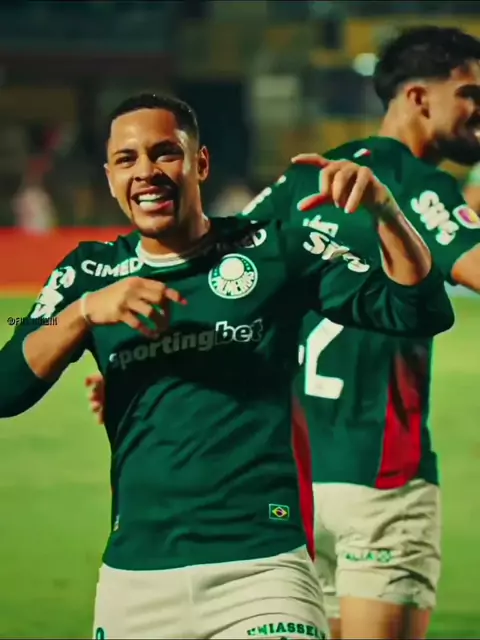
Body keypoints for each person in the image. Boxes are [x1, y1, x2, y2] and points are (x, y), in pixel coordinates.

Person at [0, 93, 454, 640]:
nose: (146, 172)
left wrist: (386, 213)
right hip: (135, 579)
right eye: (127, 159)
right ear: (110, 176)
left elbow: (420, 309)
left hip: (262, 572)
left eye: (165, 153)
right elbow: (7, 385)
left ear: (200, 163)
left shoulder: (273, 249)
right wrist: (81, 313)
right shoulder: (88, 273)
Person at [238, 25, 480, 640]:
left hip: (289, 479)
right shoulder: (418, 185)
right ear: (419, 97)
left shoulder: (304, 179)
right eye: (472, 95)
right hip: (381, 478)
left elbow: (221, 280)